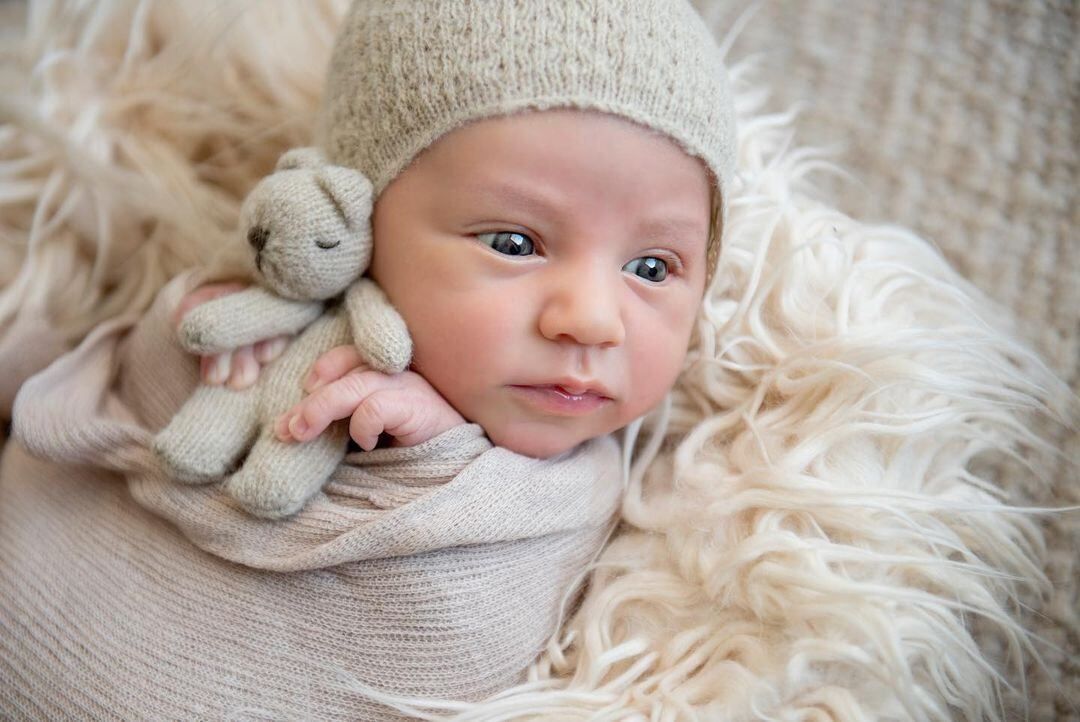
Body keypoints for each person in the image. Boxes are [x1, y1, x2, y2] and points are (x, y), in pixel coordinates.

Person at [1, 0, 736, 718]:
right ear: (353, 218)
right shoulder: (285, 326)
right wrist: (203, 334)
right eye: (513, 244)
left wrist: (443, 452)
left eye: (651, 267)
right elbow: (150, 404)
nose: (592, 320)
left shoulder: (672, 501)